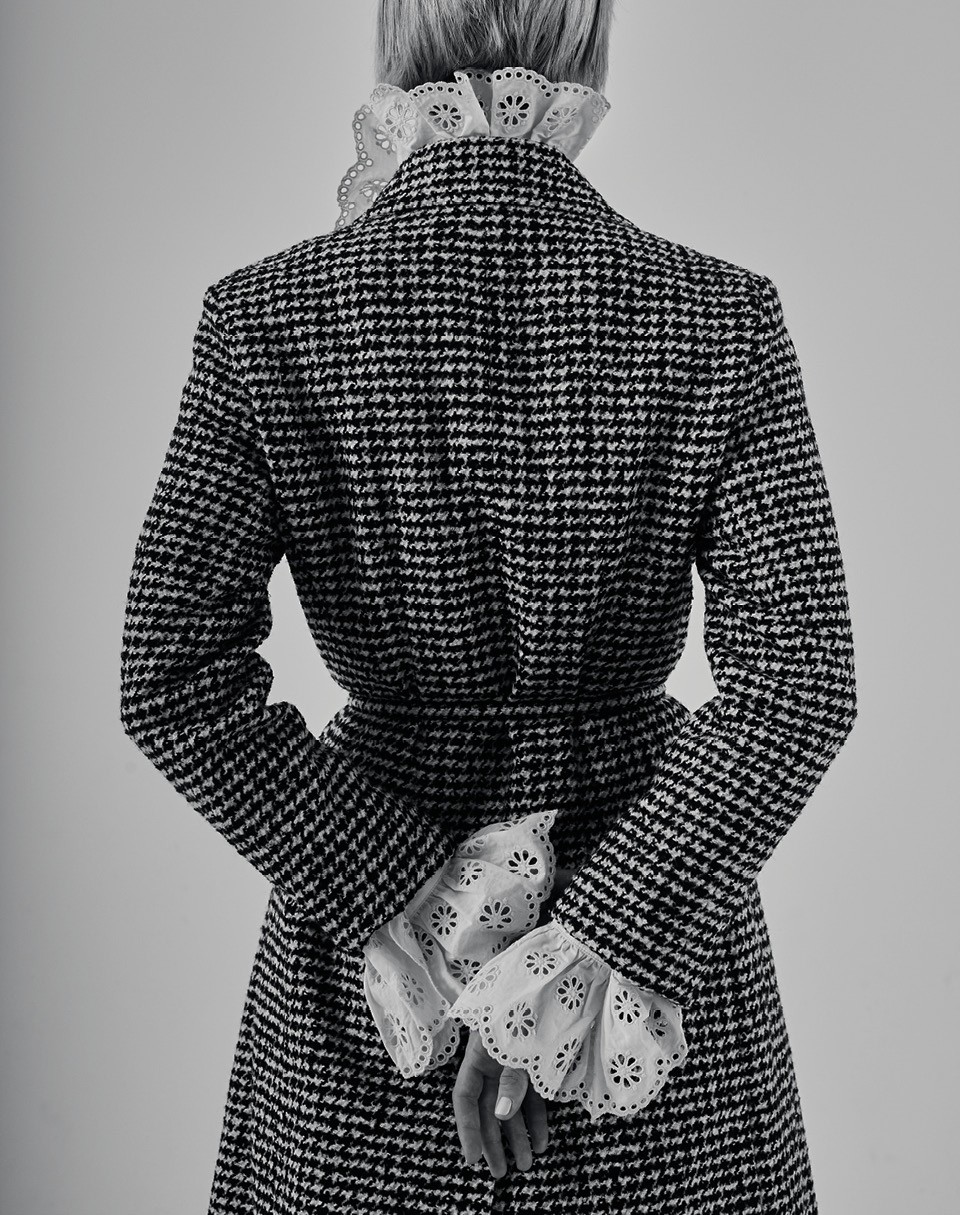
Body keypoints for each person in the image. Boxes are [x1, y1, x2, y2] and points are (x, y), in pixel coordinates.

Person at [118, 1, 858, 1211]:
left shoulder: (267, 318)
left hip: (375, 953)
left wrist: (423, 903)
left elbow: (171, 679)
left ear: (394, 43)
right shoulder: (720, 316)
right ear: (589, 44)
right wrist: (587, 953)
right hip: (648, 898)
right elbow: (801, 689)